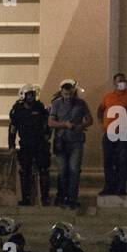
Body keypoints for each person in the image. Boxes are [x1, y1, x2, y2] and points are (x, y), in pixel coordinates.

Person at [49, 79, 93, 210]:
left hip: (76, 141)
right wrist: (63, 125)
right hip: (61, 141)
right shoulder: (56, 104)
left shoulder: (81, 104)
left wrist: (81, 125)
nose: (67, 97)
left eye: (70, 94)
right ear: (61, 93)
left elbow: (89, 119)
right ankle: (61, 197)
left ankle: (72, 198)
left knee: (74, 170)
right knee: (62, 171)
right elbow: (50, 122)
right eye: (65, 94)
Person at [8, 85, 52, 207]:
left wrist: (47, 136)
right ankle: (26, 198)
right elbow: (12, 128)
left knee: (43, 170)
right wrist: (11, 144)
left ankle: (45, 198)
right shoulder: (17, 110)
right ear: (23, 95)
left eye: (32, 94)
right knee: (25, 171)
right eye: (29, 95)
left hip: (40, 144)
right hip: (26, 144)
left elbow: (47, 123)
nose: (31, 97)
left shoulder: (40, 107)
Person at [98, 73, 127, 197]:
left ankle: (121, 187)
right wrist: (102, 124)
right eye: (119, 81)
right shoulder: (108, 97)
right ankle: (109, 187)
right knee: (108, 161)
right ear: (114, 83)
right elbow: (100, 109)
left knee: (123, 161)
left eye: (123, 80)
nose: (122, 83)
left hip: (124, 133)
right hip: (109, 132)